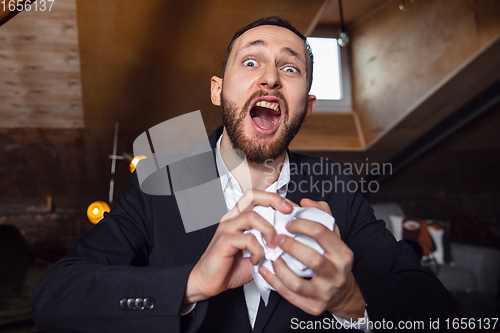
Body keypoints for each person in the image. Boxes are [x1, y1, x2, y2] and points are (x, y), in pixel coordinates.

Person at [32, 16, 459, 332]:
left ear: (307, 107)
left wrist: (351, 299)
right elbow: (55, 297)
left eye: (289, 69)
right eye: (251, 62)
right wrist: (191, 284)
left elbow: (439, 311)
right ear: (219, 89)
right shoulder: (161, 182)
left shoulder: (337, 187)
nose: (271, 77)